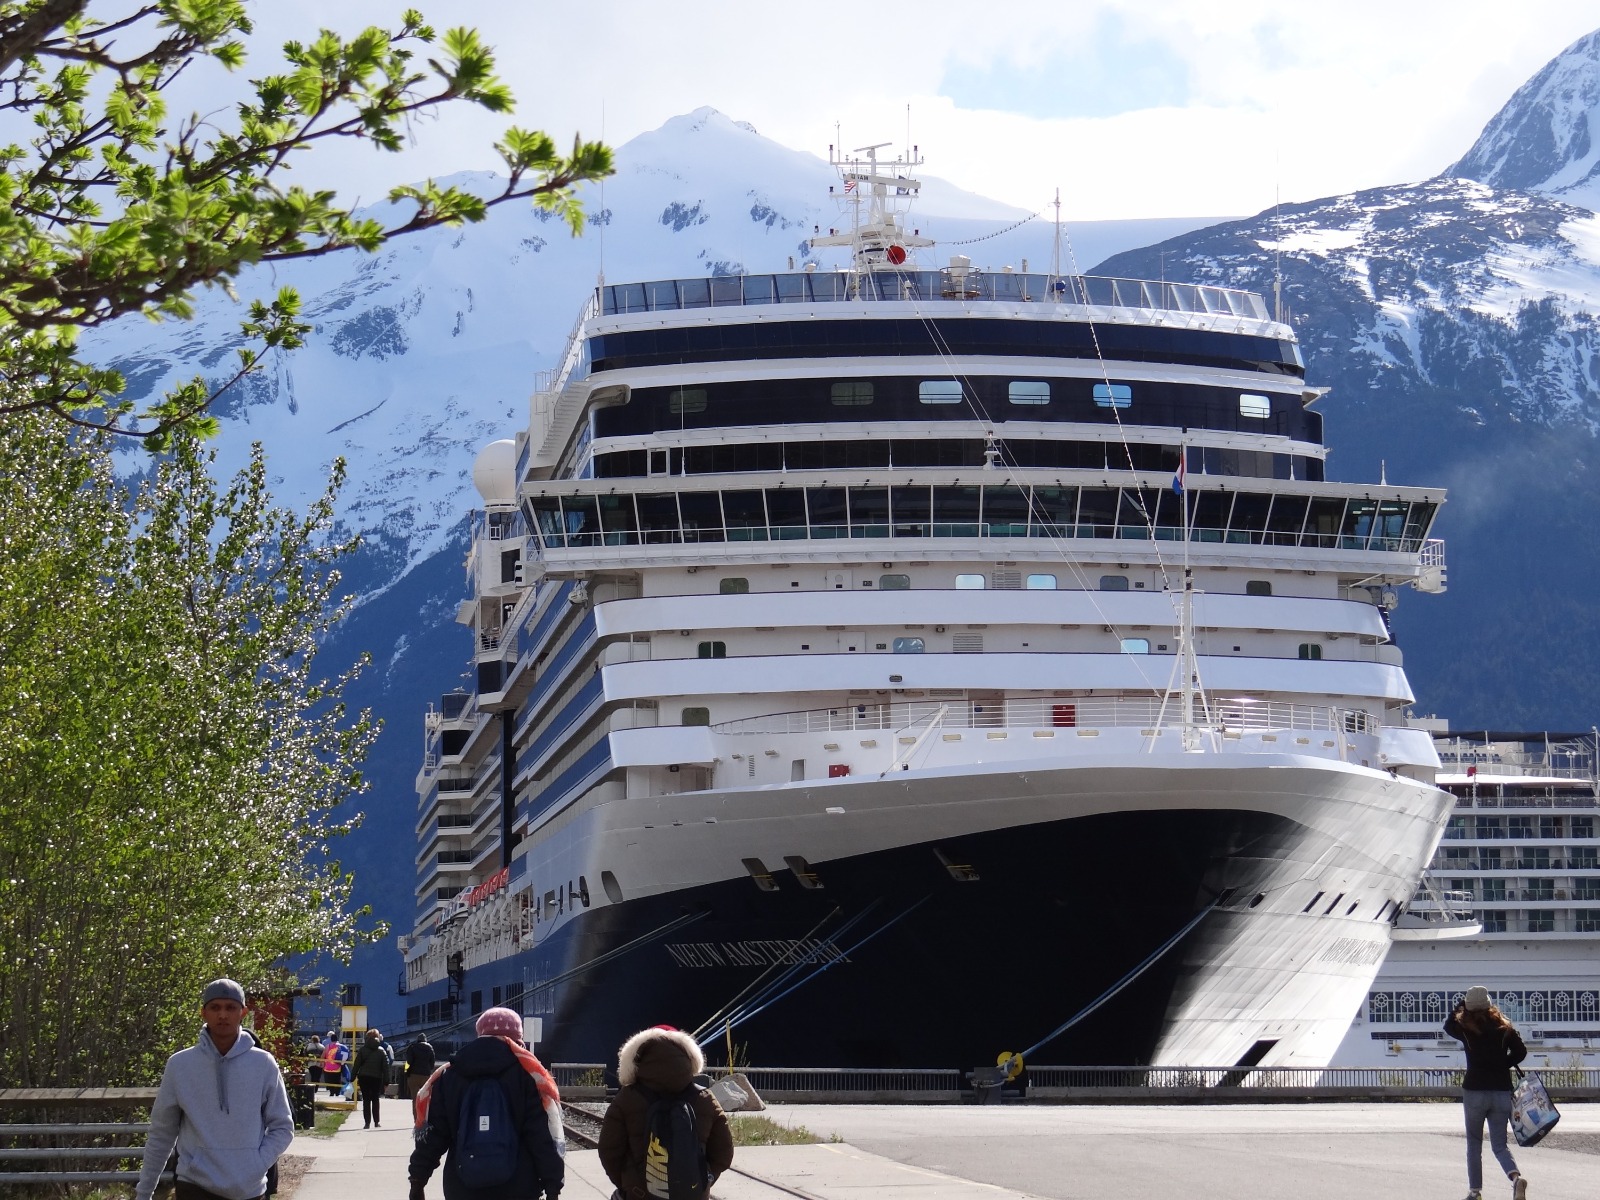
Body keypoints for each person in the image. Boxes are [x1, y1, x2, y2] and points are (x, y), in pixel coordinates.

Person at [134, 979, 294, 1200]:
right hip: (195, 1186)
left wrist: (256, 1164)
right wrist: (144, 1192)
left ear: (243, 1012)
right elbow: (162, 1133)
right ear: (203, 1013)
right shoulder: (180, 1065)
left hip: (249, 1190)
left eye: (230, 1008)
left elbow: (282, 1127)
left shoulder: (263, 1064)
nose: (223, 1015)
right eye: (215, 1007)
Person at [408, 1007, 564, 1200]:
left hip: (462, 1187)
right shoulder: (528, 1075)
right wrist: (553, 1185)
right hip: (519, 1187)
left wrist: (417, 1180)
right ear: (517, 1038)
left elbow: (434, 1136)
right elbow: (540, 1135)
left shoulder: (449, 1075)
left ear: (480, 1033)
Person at [598, 1026, 733, 1200]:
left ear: (635, 1060)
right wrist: (704, 1181)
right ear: (688, 1057)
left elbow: (609, 1152)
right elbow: (724, 1152)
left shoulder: (626, 1099)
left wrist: (630, 1184)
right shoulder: (705, 1098)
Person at [1445, 985, 1530, 1200]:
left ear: (1469, 1007)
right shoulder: (1504, 1027)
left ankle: (1475, 1192)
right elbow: (1521, 1051)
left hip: (1474, 1090)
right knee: (1499, 1145)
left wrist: (1462, 1005)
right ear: (1489, 1005)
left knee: (1474, 1143)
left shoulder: (1465, 1028)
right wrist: (1503, 1065)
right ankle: (1515, 1178)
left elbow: (1447, 1025)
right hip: (1501, 1091)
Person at [351, 1028, 390, 1128]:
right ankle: (376, 1122)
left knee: (366, 1100)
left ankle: (367, 1123)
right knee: (375, 1099)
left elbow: (357, 1065)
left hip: (364, 1077)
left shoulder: (363, 1050)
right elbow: (386, 1067)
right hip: (376, 1078)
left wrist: (352, 1077)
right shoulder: (382, 1051)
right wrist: (386, 1081)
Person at [405, 1033, 438, 1116]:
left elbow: (408, 1062)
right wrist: (428, 1070)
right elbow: (432, 1063)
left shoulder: (412, 1047)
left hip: (413, 1075)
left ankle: (416, 1120)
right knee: (426, 1099)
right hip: (425, 1076)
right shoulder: (430, 1048)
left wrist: (406, 1072)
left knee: (415, 1099)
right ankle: (424, 1118)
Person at [320, 1031, 348, 1097]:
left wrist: (321, 1063)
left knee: (330, 1080)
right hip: (337, 1067)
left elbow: (323, 1056)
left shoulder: (327, 1046)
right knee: (337, 1080)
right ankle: (337, 1092)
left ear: (331, 1039)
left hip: (328, 1067)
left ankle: (331, 1092)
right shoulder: (340, 1046)